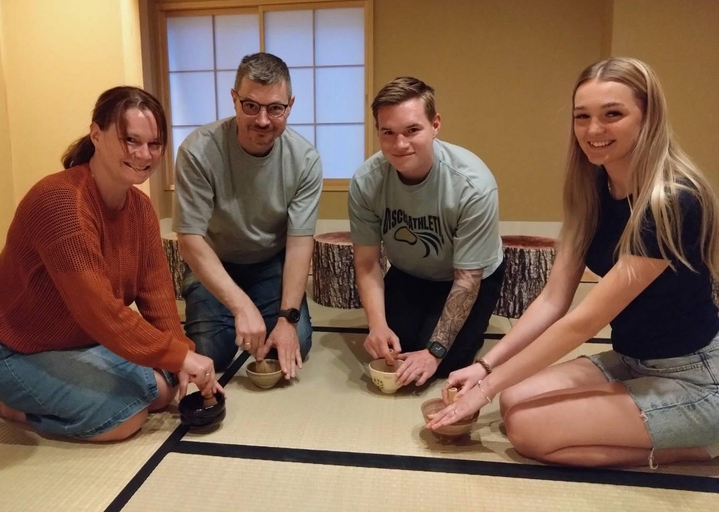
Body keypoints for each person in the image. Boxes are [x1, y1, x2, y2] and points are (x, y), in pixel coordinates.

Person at [428, 57, 719, 468]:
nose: (593, 130)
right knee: (513, 397)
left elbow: (583, 323)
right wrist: (486, 368)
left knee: (528, 430)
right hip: (630, 360)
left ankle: (703, 444)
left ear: (648, 117)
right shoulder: (595, 188)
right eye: (582, 117)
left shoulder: (671, 201)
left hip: (695, 376)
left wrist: (482, 392)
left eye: (612, 114)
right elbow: (552, 301)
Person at [0, 86, 221, 442]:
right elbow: (101, 312)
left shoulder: (140, 209)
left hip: (75, 339)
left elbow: (157, 295)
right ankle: (9, 407)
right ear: (96, 134)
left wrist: (182, 361)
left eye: (154, 144)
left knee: (161, 393)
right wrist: (180, 357)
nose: (144, 154)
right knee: (124, 421)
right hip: (5, 345)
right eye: (131, 140)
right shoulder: (62, 203)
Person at [174, 53, 322, 380]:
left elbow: (299, 244)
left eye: (275, 108)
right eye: (251, 106)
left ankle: (264, 320)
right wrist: (242, 306)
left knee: (295, 342)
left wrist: (286, 319)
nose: (263, 120)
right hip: (213, 261)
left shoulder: (305, 159)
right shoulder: (198, 151)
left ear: (290, 105)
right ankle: (237, 317)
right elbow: (189, 241)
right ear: (234, 99)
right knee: (212, 352)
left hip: (271, 262)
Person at [349, 77, 504, 387]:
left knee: (447, 362)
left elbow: (467, 279)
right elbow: (367, 262)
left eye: (412, 130)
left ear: (435, 124)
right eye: (388, 133)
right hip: (410, 272)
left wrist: (435, 352)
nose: (400, 144)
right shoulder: (367, 181)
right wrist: (376, 326)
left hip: (469, 277)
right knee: (397, 349)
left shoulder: (472, 184)